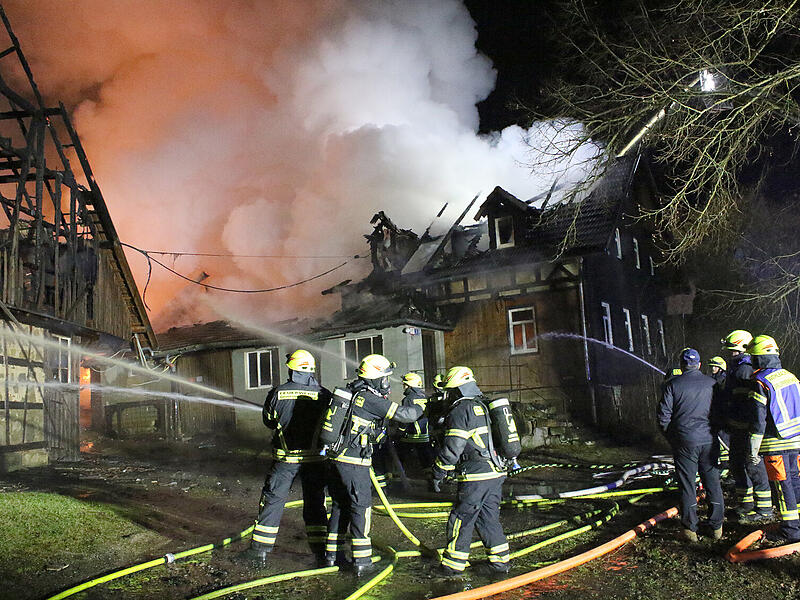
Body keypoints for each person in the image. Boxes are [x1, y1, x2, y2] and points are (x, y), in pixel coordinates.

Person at [322, 354, 423, 576]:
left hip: (338, 458)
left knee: (341, 505)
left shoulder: (356, 393)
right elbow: (405, 415)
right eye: (385, 378)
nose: (388, 382)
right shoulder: (369, 398)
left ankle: (332, 555)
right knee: (361, 506)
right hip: (354, 461)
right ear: (375, 378)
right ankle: (362, 561)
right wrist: (420, 401)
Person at [248, 350, 332, 565]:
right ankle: (321, 551)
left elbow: (269, 421)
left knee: (273, 501)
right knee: (315, 503)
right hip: (316, 460)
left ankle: (260, 553)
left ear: (292, 369)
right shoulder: (325, 395)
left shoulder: (278, 393)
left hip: (286, 461)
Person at [430, 366, 510, 575]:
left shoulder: (461, 409)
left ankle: (452, 566)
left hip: (476, 475)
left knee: (461, 518)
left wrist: (439, 472)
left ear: (457, 390)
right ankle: (500, 562)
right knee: (488, 517)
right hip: (495, 472)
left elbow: (452, 448)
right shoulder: (482, 405)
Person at [657, 348, 725, 542]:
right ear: (700, 365)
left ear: (681, 365)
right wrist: (715, 431)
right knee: (713, 483)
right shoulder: (712, 384)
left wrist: (673, 437)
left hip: (685, 442)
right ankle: (716, 527)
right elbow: (720, 413)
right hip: (709, 440)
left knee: (688, 485)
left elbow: (663, 417)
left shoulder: (672, 385)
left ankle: (690, 530)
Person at [746, 335, 800, 544]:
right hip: (796, 441)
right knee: (795, 482)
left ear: (759, 358)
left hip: (775, 443)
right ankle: (797, 524)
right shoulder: (791, 377)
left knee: (781, 486)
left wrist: (753, 449)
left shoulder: (760, 382)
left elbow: (759, 420)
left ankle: (790, 530)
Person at [722, 329, 771, 521]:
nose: (731, 354)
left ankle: (764, 508)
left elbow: (746, 402)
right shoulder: (738, 368)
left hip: (746, 428)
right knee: (736, 464)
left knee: (753, 466)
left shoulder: (745, 370)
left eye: (734, 351)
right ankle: (746, 503)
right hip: (737, 427)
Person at [396, 372, 435, 471]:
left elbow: (405, 418)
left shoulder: (408, 399)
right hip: (425, 434)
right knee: (426, 457)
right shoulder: (425, 397)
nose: (404, 387)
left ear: (410, 386)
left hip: (411, 435)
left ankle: (400, 472)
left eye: (405, 384)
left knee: (400, 453)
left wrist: (400, 430)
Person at [708, 356, 730, 471]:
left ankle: (726, 464)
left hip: (721, 416)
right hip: (717, 415)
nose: (712, 369)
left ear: (720, 368)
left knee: (724, 440)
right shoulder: (715, 379)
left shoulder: (721, 379)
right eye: (711, 367)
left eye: (714, 367)